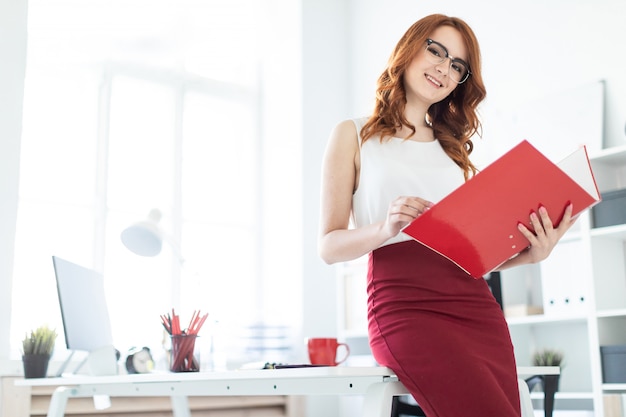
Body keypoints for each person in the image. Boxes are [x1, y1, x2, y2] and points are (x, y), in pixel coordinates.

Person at [318, 13, 576, 417]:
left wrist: (530, 255)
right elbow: (329, 247)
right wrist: (386, 228)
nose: (443, 67)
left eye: (457, 65)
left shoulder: (452, 150)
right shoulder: (354, 134)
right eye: (435, 50)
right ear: (408, 49)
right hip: (404, 305)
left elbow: (468, 252)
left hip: (475, 304)